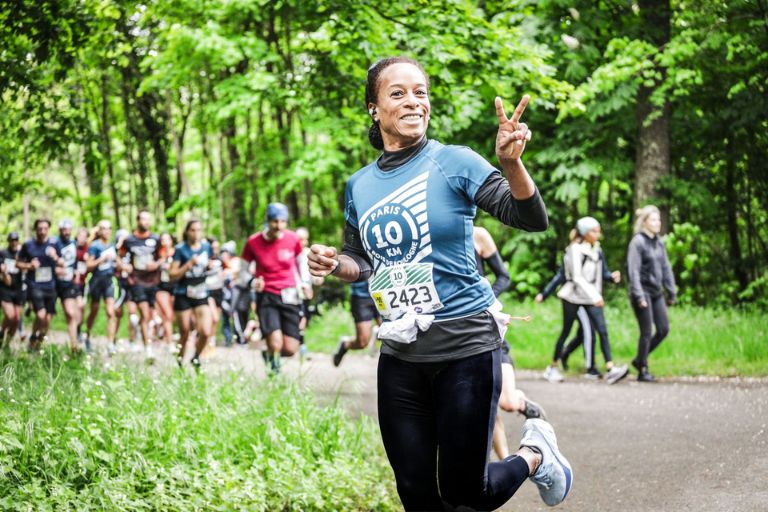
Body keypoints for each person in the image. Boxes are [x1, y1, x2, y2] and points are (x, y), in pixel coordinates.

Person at [308, 57, 571, 510]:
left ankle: (533, 454)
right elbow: (361, 259)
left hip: (465, 347)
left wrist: (511, 165)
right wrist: (333, 264)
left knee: (466, 493)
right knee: (414, 491)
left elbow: (529, 217)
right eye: (398, 93)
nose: (413, 101)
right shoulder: (359, 185)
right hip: (401, 355)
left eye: (421, 92)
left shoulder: (454, 161)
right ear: (374, 108)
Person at [473, 225, 547, 461]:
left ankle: (525, 405)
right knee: (487, 405)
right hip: (462, 334)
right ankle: (506, 462)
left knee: (506, 402)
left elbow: (503, 276)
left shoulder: (478, 235)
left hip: (489, 327)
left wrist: (483, 302)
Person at [547, 217, 627, 384]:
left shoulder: (597, 250)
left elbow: (602, 273)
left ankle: (611, 369)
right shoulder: (574, 250)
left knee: (602, 330)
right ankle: (552, 367)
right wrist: (596, 296)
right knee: (566, 331)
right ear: (585, 233)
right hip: (573, 296)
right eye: (594, 231)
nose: (598, 234)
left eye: (598, 230)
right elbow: (577, 277)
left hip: (591, 297)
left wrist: (611, 277)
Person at [241, 203, 306, 373]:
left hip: (290, 294)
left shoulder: (293, 239)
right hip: (267, 295)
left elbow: (301, 263)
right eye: (275, 221)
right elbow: (242, 271)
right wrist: (253, 283)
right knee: (275, 341)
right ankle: (274, 377)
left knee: (291, 348)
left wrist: (305, 283)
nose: (279, 226)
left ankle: (268, 354)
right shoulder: (253, 242)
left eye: (283, 222)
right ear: (268, 221)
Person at [627, 205, 676, 382]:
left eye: (659, 220)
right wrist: (639, 296)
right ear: (645, 222)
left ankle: (639, 359)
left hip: (656, 293)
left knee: (663, 329)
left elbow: (666, 268)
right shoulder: (637, 242)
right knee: (646, 332)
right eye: (654, 220)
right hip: (642, 292)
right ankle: (643, 369)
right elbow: (633, 271)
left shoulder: (659, 242)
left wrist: (672, 291)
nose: (658, 223)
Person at [170, 219, 214, 370]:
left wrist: (209, 265)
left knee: (206, 331)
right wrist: (188, 264)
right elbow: (172, 274)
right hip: (183, 293)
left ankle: (196, 357)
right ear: (187, 232)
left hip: (201, 292)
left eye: (199, 230)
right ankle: (180, 362)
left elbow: (210, 265)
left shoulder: (207, 247)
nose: (196, 233)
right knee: (184, 332)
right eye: (193, 230)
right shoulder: (180, 249)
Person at [118, 210, 162, 360]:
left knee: (148, 315)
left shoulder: (156, 239)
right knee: (144, 312)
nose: (146, 222)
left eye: (148, 219)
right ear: (138, 221)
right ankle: (148, 348)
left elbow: (163, 256)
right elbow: (119, 256)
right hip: (136, 281)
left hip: (153, 281)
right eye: (143, 219)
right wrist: (124, 267)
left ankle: (143, 336)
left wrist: (156, 264)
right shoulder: (129, 240)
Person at [535, 264, 592, 373]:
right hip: (571, 299)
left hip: (586, 299)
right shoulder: (572, 254)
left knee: (583, 333)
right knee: (567, 331)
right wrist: (544, 294)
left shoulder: (590, 252)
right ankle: (553, 365)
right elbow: (560, 276)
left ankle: (565, 354)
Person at [16, 219, 62, 350]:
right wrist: (29, 266)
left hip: (51, 286)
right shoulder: (28, 245)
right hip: (35, 285)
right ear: (35, 229)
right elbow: (17, 263)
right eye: (40, 228)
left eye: (45, 228)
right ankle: (34, 337)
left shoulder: (54, 244)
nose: (42, 231)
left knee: (47, 318)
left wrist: (55, 257)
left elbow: (63, 263)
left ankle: (38, 341)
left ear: (48, 229)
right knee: (41, 315)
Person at [85, 220, 119, 354]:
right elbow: (88, 266)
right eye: (103, 228)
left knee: (111, 312)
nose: (106, 231)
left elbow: (117, 262)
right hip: (96, 282)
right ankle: (87, 335)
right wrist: (101, 259)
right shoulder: (94, 246)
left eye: (109, 228)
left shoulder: (112, 245)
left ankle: (110, 344)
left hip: (109, 281)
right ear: (99, 231)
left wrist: (125, 267)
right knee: (94, 310)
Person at [54, 220, 87, 352]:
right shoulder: (55, 243)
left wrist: (75, 272)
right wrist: (55, 268)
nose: (67, 232)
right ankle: (36, 341)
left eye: (69, 229)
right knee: (45, 316)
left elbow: (74, 261)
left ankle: (74, 347)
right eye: (64, 229)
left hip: (69, 284)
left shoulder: (73, 243)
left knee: (72, 313)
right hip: (54, 283)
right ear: (60, 230)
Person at [332, 280, 382, 367]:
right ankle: (345, 344)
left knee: (392, 332)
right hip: (361, 296)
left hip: (383, 294)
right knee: (362, 343)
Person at [0, 232, 24, 347]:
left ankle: (6, 345)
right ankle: (1, 332)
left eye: (16, 240)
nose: (14, 242)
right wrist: (3, 272)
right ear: (9, 241)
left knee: (16, 319)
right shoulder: (3, 253)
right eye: (12, 240)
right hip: (5, 289)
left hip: (18, 289)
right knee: (10, 316)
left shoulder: (22, 254)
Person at [155, 232, 176, 349]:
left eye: (167, 239)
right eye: (162, 240)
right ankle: (170, 342)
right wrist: (160, 262)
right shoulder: (157, 254)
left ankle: (165, 335)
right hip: (161, 286)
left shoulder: (177, 252)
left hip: (175, 285)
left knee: (172, 315)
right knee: (167, 314)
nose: (165, 242)